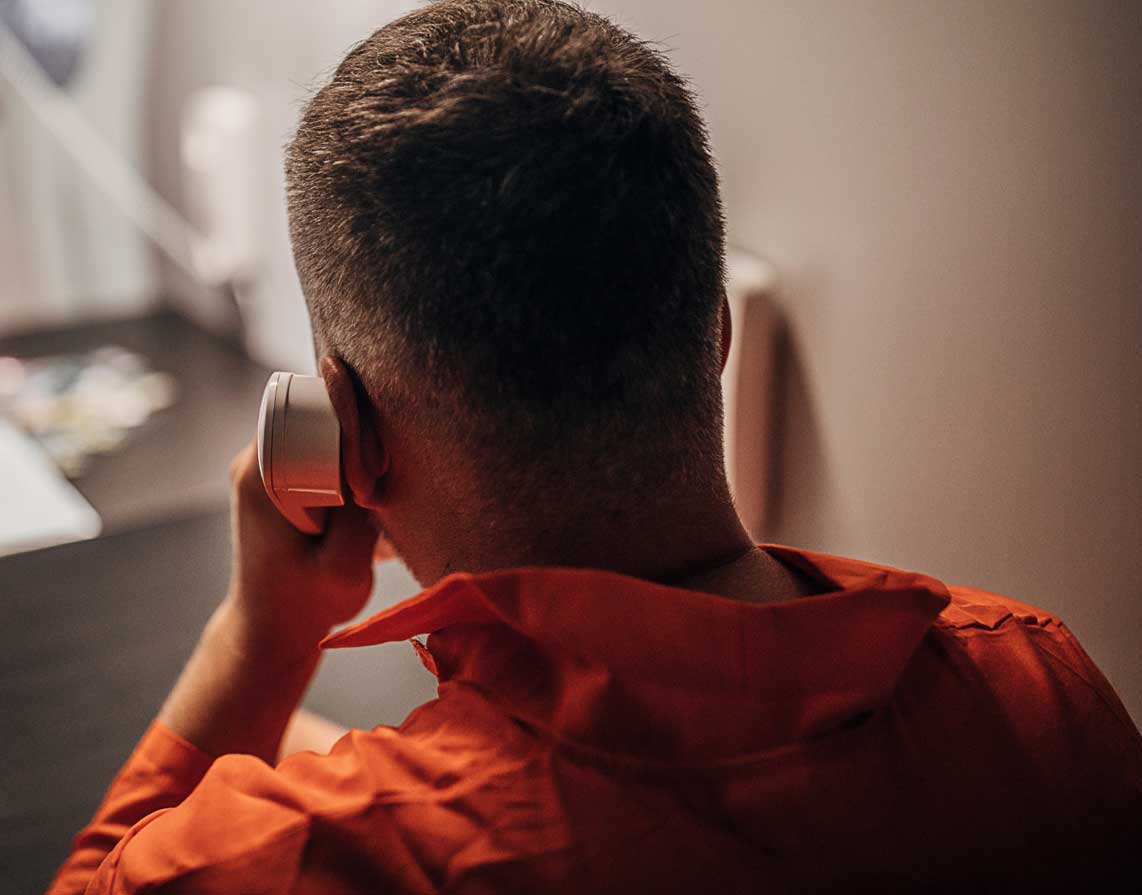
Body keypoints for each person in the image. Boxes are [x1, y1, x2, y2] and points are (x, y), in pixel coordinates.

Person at [48, 1, 1142, 891]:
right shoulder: (1035, 680)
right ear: (715, 330)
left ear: (349, 432)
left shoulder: (300, 853)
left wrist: (261, 636)